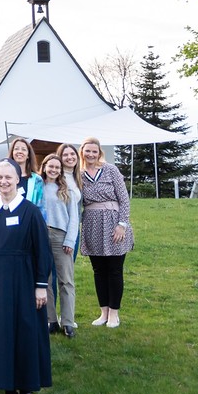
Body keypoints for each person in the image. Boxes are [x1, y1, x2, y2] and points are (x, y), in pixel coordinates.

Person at [0, 159, 53, 394]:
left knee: (25, 333)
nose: (4, 182)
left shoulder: (30, 211)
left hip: (23, 281)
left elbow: (43, 251)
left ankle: (26, 390)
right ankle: (8, 390)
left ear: (18, 179)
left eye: (8, 177)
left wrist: (41, 285)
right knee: (1, 333)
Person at [80, 137, 134, 329]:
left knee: (114, 270)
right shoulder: (79, 174)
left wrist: (122, 224)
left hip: (114, 224)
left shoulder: (111, 170)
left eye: (94, 151)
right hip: (92, 225)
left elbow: (124, 199)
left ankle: (114, 314)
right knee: (99, 271)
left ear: (99, 153)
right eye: (87, 151)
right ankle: (103, 312)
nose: (91, 154)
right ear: (82, 152)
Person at [40, 154, 80, 338]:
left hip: (60, 235)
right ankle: (51, 320)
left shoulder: (66, 190)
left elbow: (74, 218)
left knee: (66, 280)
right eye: (51, 166)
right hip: (42, 234)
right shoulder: (38, 186)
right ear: (44, 167)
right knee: (46, 279)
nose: (54, 170)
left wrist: (70, 240)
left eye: (57, 167)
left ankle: (68, 322)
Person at [56, 143, 84, 256]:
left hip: (73, 229)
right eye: (65, 155)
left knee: (70, 264)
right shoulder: (56, 177)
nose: (70, 157)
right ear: (60, 158)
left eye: (72, 154)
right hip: (58, 229)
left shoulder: (78, 178)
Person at [9, 138, 44, 210]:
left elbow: (41, 205)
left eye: (23, 149)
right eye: (16, 149)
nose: (20, 151)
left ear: (28, 155)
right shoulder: (5, 177)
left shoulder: (37, 180)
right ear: (12, 153)